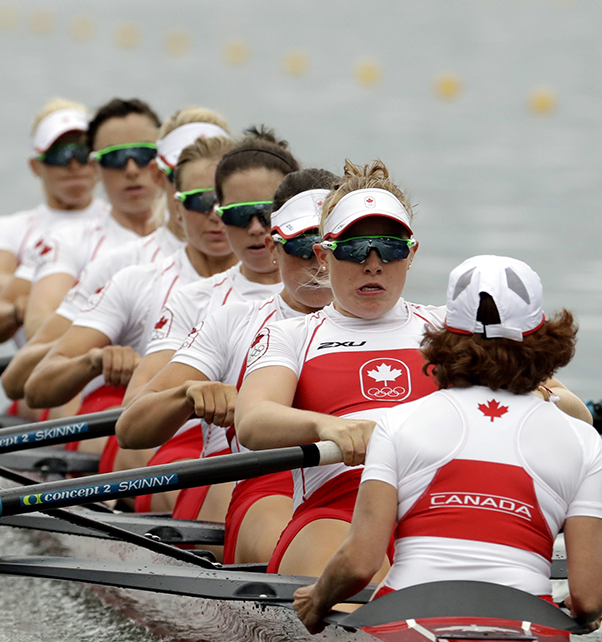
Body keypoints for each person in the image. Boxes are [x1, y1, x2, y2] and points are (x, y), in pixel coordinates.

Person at [292, 255, 602, 633]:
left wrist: (318, 600)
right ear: (545, 338)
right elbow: (591, 599)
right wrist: (580, 610)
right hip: (526, 621)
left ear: (444, 337)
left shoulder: (397, 424)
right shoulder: (583, 442)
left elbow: (360, 563)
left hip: (405, 613)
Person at [234, 160, 441, 578]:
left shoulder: (448, 328)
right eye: (352, 248)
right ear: (323, 257)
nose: (373, 263)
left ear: (411, 253)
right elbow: (252, 421)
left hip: (437, 507)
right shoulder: (289, 336)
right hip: (339, 509)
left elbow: (565, 405)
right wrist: (329, 427)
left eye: (391, 247)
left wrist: (544, 396)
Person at [117, 169, 338, 550]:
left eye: (339, 245)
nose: (321, 260)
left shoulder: (418, 325)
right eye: (305, 246)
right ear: (274, 248)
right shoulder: (233, 319)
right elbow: (130, 430)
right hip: (261, 481)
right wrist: (186, 395)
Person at [23, 134, 238, 476]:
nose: (216, 215)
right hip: (158, 445)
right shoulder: (133, 274)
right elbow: (31, 387)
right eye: (202, 201)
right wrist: (94, 361)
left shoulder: (306, 289)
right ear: (177, 205)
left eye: (233, 206)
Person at [113, 129, 302, 513]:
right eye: (236, 214)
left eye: (266, 214)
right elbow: (133, 414)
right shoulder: (202, 302)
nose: (255, 227)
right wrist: (188, 397)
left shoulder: (353, 298)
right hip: (226, 470)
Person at [0, 108, 228, 421]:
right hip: (119, 413)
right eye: (197, 191)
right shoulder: (123, 267)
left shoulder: (273, 265)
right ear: (162, 177)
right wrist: (93, 358)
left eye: (224, 192)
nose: (214, 208)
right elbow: (19, 379)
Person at [14, 98, 164, 341]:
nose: (132, 169)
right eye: (115, 157)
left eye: (144, 154)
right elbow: (39, 328)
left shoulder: (212, 233)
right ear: (94, 167)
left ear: (162, 160)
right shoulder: (67, 241)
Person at [0, 99, 106, 339]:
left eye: (82, 152)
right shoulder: (6, 229)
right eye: (60, 155)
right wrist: (40, 296)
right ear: (36, 166)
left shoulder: (127, 221)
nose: (74, 164)